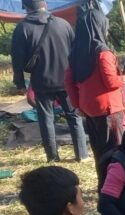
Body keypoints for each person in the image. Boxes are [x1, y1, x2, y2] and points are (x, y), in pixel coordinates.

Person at [11, 0, 89, 163]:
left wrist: (19, 83)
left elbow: (17, 59)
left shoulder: (22, 28)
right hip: (66, 80)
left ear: (26, 7)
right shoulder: (63, 24)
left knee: (46, 119)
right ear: (45, 4)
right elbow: (75, 52)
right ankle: (82, 155)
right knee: (73, 116)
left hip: (41, 81)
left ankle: (53, 157)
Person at [65, 8, 125, 180]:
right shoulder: (103, 53)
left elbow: (69, 82)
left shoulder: (76, 54)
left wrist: (78, 105)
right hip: (109, 110)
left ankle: (103, 182)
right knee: (115, 150)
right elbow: (111, 82)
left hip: (89, 109)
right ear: (99, 26)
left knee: (99, 150)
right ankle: (116, 184)